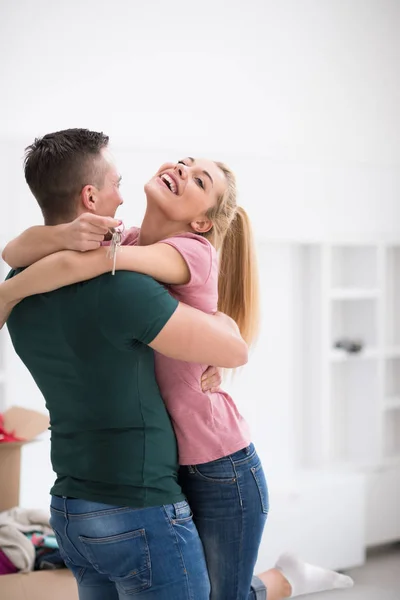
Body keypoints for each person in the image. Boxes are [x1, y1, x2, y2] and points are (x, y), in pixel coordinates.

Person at [1, 130, 354, 600]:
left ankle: (288, 579)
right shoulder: (124, 242)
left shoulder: (173, 256)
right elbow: (20, 250)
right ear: (91, 195)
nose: (181, 170)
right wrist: (62, 239)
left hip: (216, 458)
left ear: (204, 221)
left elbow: (65, 266)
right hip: (161, 469)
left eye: (199, 178)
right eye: (184, 162)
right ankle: (285, 579)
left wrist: (9, 292)